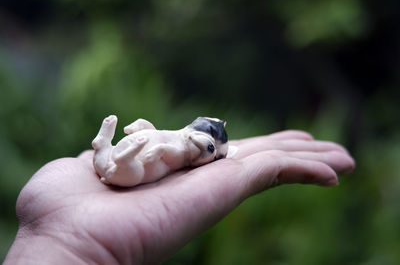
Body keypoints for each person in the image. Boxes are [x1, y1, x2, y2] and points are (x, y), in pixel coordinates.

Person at [4, 130, 354, 264]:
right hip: (124, 166)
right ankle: (108, 149)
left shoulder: (180, 148)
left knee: (122, 166)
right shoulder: (178, 142)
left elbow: (159, 149)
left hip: (129, 166)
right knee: (119, 165)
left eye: (210, 153)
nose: (203, 154)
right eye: (205, 147)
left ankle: (108, 151)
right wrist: (63, 243)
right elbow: (156, 144)